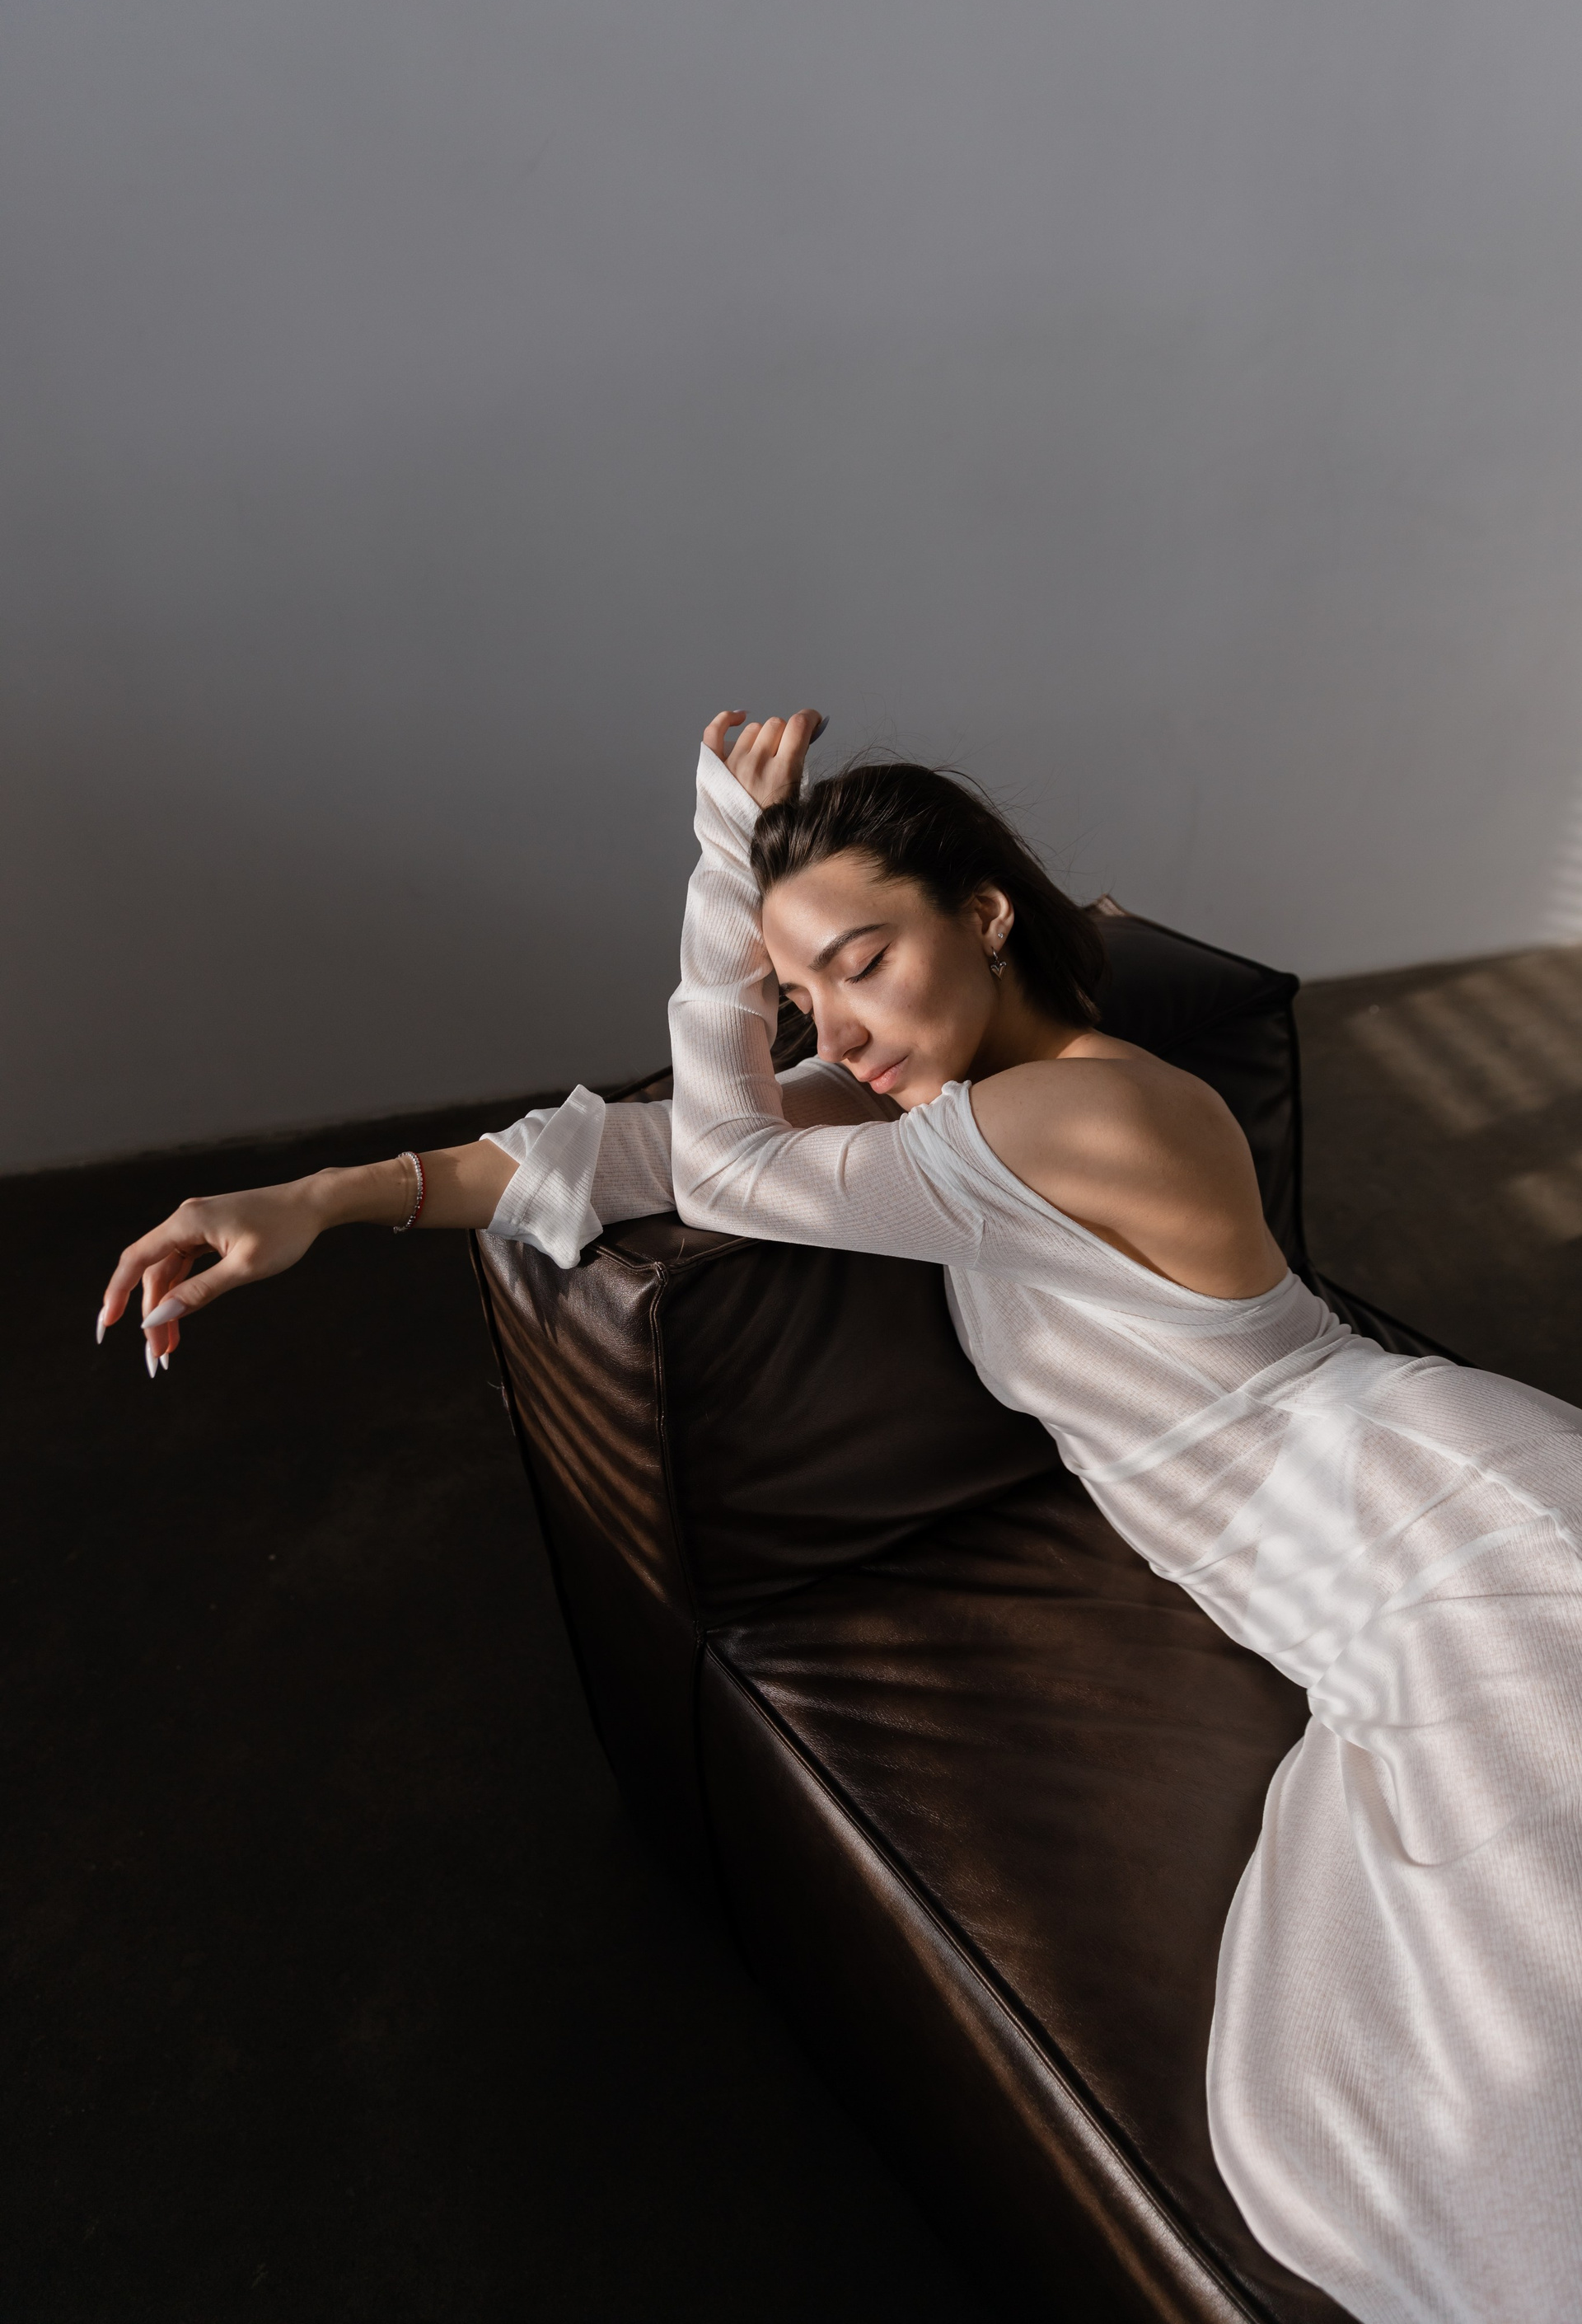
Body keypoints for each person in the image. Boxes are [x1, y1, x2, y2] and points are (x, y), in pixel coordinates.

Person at [101, 710, 1582, 2324]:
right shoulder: (956, 1111)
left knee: (1492, 2096)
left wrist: (722, 866)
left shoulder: (1088, 1115)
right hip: (1358, 1567)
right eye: (800, 998)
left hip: (1442, 1530)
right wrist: (314, 1199)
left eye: (862, 963)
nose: (838, 1029)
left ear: (987, 914)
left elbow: (728, 1165)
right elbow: (637, 1155)